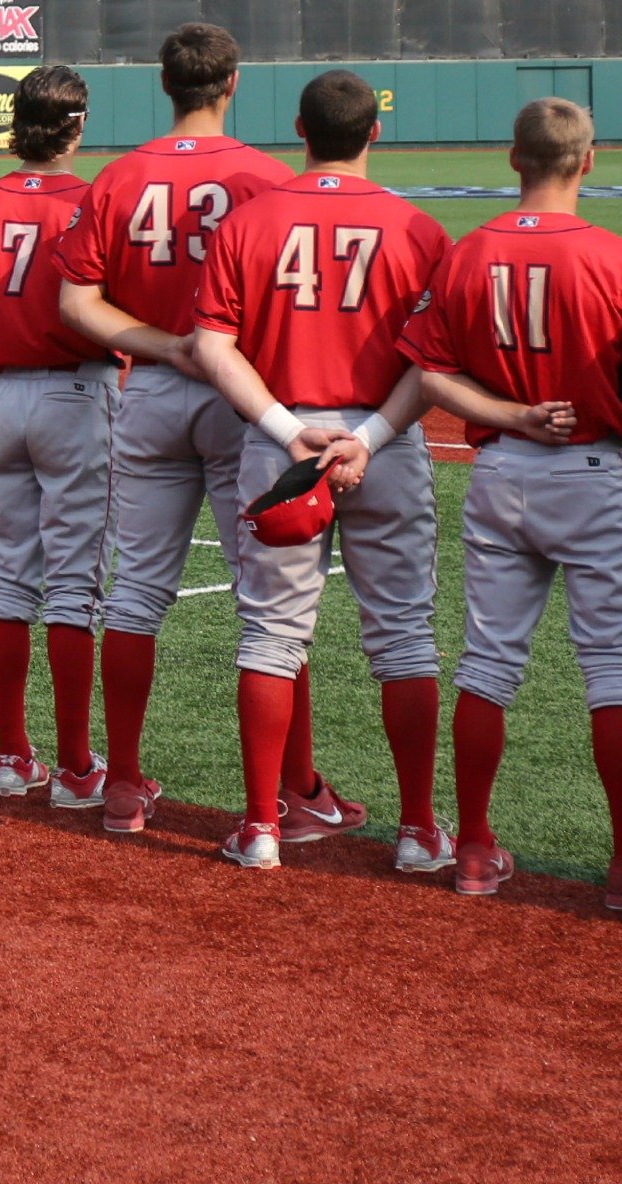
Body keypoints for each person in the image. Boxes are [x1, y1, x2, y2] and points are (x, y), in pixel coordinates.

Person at [399, 98, 622, 902]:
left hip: (500, 468)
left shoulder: (464, 252)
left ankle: (475, 849)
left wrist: (509, 412)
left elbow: (430, 374)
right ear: (588, 161)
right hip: (587, 471)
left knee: (486, 662)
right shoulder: (621, 258)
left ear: (511, 159)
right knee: (612, 667)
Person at [188, 69, 450, 874]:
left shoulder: (249, 220)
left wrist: (282, 430)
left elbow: (209, 345)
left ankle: (264, 826)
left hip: (281, 443)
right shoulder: (418, 229)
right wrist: (366, 435)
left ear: (298, 131)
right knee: (402, 635)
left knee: (270, 635)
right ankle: (415, 832)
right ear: (376, 132)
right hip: (384, 444)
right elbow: (430, 359)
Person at [59, 23, 301, 836]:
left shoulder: (119, 177)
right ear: (233, 84)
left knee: (134, 593)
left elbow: (78, 304)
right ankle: (290, 795)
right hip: (245, 400)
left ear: (164, 84)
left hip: (152, 390)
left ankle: (122, 783)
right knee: (269, 607)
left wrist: (168, 347)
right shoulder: (266, 177)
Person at [0, 64, 109, 802]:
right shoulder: (94, 198)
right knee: (74, 586)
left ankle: (14, 756)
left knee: (9, 581)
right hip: (77, 392)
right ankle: (75, 767)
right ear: (74, 125)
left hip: (3, 396)